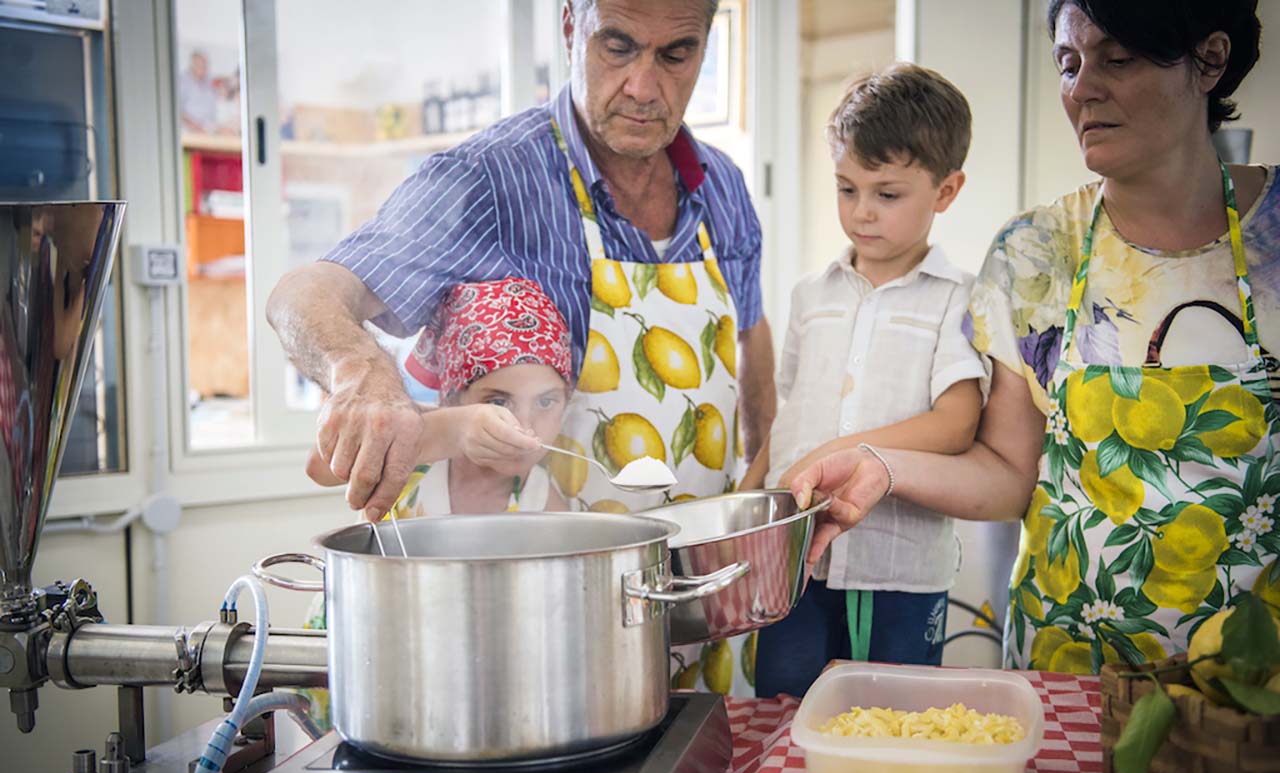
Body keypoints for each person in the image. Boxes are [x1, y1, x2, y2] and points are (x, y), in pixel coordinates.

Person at [788, 0, 1277, 675]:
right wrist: (881, 466)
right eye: (1068, 63)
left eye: (1118, 58)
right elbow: (1009, 476)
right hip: (1068, 668)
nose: (1081, 88)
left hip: (1254, 688)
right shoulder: (1034, 252)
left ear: (1209, 60)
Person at [267, 0, 775, 525]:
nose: (643, 88)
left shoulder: (723, 187)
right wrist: (361, 373)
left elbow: (751, 338)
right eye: (618, 47)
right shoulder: (487, 180)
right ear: (571, 27)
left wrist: (760, 500)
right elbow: (304, 294)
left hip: (705, 567)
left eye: (675, 56)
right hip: (562, 584)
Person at [740, 65, 988, 698]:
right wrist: (745, 500)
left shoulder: (959, 300)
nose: (861, 213)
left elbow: (957, 423)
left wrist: (844, 456)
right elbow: (789, 415)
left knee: (890, 714)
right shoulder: (810, 295)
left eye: (886, 193)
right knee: (780, 714)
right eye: (846, 189)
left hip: (897, 570)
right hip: (795, 564)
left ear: (946, 190)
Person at [305, 278, 574, 515]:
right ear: (452, 399)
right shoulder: (416, 433)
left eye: (545, 402)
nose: (525, 426)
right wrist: (452, 431)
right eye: (498, 402)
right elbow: (318, 467)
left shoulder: (539, 495)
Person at [178, 50, 218, 134]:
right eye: (200, 65)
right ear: (192, 65)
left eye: (205, 65)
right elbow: (178, 110)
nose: (203, 68)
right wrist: (194, 126)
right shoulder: (182, 82)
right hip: (188, 131)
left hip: (208, 131)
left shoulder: (208, 83)